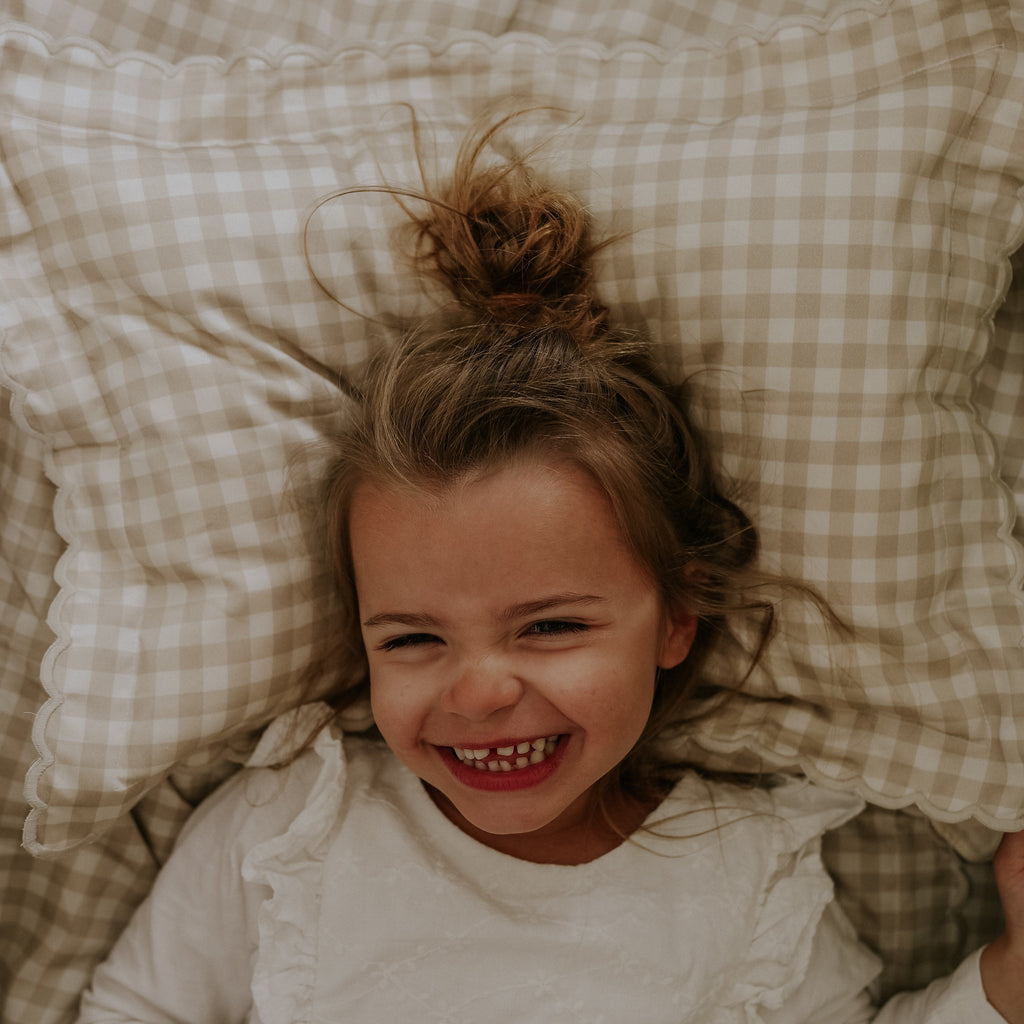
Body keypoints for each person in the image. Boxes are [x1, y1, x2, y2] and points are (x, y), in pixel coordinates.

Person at [76, 117, 1024, 1023]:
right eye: (412, 638)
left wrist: (1009, 981)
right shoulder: (293, 824)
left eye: (551, 626)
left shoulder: (743, 875)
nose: (480, 690)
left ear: (676, 621)